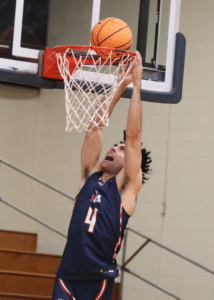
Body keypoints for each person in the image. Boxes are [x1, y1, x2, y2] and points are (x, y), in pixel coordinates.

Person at [52, 51, 152, 300]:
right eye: (114, 146)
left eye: (120, 150)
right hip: (67, 275)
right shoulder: (90, 175)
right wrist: (119, 85)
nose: (113, 148)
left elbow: (133, 138)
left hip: (98, 280)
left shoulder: (127, 187)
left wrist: (137, 85)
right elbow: (95, 126)